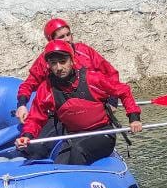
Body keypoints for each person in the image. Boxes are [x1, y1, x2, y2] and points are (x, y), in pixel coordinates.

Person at [14, 40, 143, 165]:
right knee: (59, 163)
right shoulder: (46, 89)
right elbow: (35, 118)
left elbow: (123, 91)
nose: (59, 68)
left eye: (63, 62)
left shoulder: (93, 79)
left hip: (102, 133)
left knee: (78, 152)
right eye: (54, 63)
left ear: (72, 61)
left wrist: (134, 118)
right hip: (73, 135)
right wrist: (27, 136)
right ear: (48, 65)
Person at [15, 18, 122, 122]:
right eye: (61, 37)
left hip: (94, 106)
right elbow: (28, 84)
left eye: (68, 34)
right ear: (52, 40)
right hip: (65, 110)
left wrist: (113, 100)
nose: (67, 39)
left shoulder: (85, 51)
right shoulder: (45, 60)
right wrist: (22, 105)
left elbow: (110, 73)